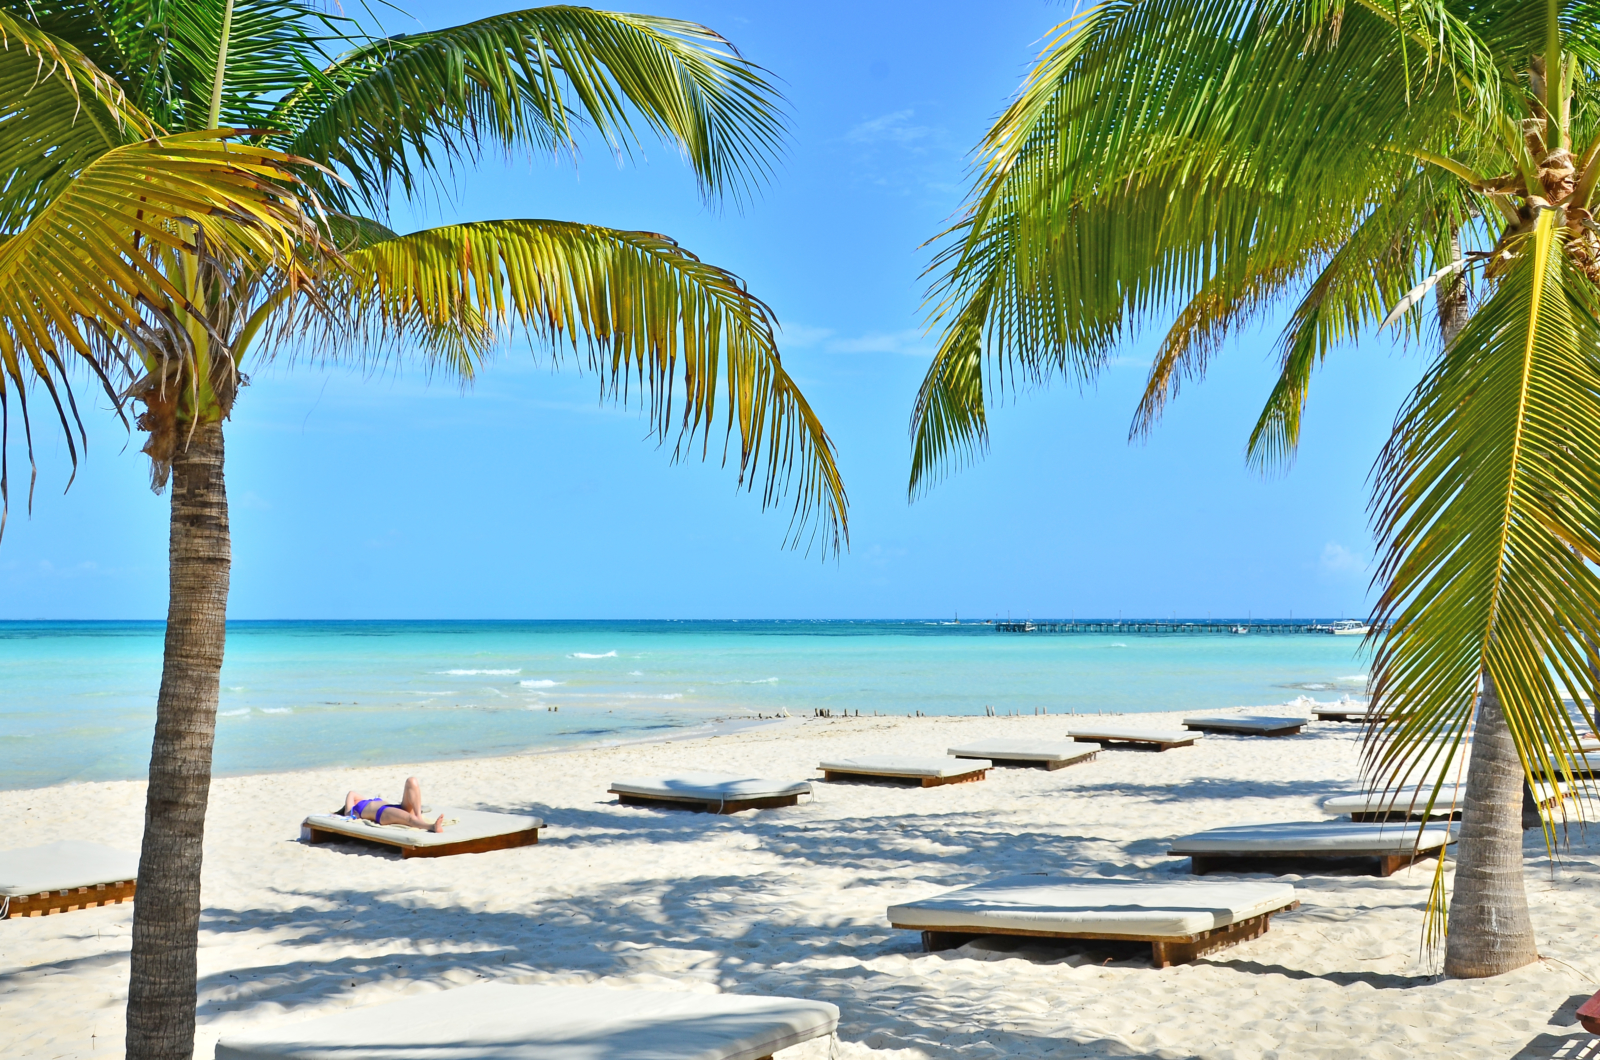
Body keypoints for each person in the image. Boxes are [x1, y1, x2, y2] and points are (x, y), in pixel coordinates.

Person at [340, 776, 445, 832]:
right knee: (409, 818)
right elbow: (351, 793)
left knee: (411, 781)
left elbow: (356, 796)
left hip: (394, 807)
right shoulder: (352, 811)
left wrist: (366, 800)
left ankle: (418, 816)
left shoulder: (366, 802)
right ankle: (431, 827)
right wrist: (350, 806)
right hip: (382, 813)